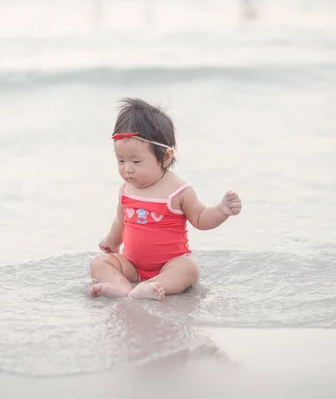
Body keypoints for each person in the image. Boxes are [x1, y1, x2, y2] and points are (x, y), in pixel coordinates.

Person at [89, 98, 242, 301]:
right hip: (133, 264)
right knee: (99, 263)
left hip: (170, 264)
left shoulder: (178, 191)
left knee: (189, 269)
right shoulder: (126, 189)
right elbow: (121, 221)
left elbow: (201, 218)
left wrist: (222, 211)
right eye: (121, 160)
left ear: (166, 157)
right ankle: (121, 286)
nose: (127, 168)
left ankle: (155, 285)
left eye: (136, 161)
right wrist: (111, 241)